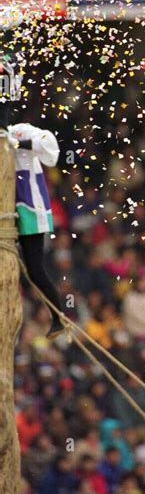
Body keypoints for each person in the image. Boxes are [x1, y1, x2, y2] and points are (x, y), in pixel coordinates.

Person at [1, 109, 64, 339]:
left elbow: (51, 148)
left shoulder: (20, 131)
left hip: (30, 207)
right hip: (8, 210)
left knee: (35, 270)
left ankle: (58, 316)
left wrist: (18, 144)